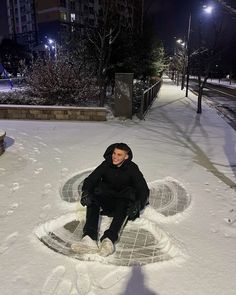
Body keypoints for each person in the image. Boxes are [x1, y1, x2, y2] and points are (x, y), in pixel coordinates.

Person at [71, 143, 149, 257]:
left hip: (122, 203)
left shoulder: (132, 168)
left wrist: (138, 205)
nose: (115, 157)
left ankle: (109, 240)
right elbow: (91, 179)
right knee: (92, 197)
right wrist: (86, 192)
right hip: (107, 200)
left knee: (125, 201)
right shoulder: (106, 164)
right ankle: (89, 238)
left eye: (119, 154)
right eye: (114, 153)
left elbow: (143, 190)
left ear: (126, 157)